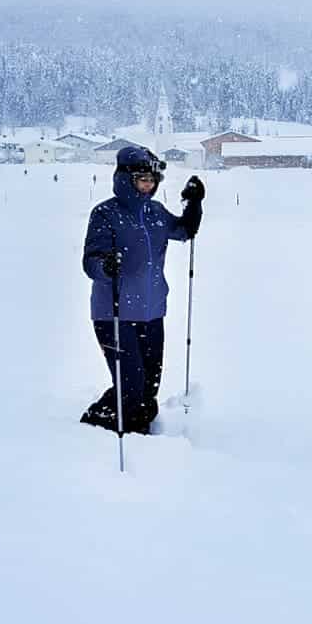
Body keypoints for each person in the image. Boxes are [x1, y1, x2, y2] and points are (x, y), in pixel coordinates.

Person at [80, 146, 204, 434]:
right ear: (125, 178)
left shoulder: (156, 212)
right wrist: (105, 265)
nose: (148, 186)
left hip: (152, 312)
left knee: (149, 383)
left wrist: (194, 203)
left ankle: (140, 428)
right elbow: (90, 262)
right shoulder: (106, 214)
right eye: (142, 180)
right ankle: (97, 427)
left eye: (152, 181)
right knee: (131, 384)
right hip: (114, 314)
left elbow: (184, 231)